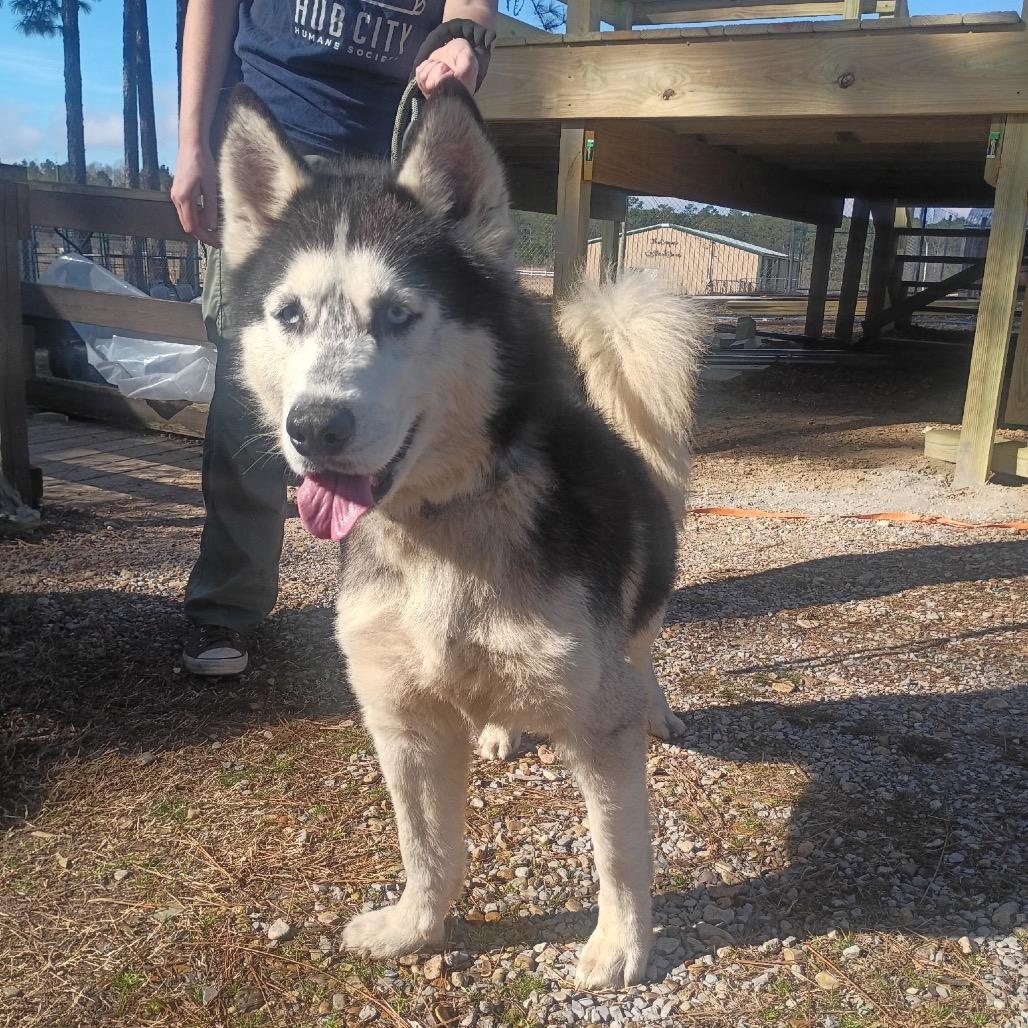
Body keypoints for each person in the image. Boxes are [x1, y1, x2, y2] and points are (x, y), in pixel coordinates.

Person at [172, 0, 498, 675]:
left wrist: (466, 38)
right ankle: (226, 608)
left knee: (412, 418)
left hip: (400, 144)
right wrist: (191, 141)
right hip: (278, 133)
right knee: (250, 416)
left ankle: (400, 620)